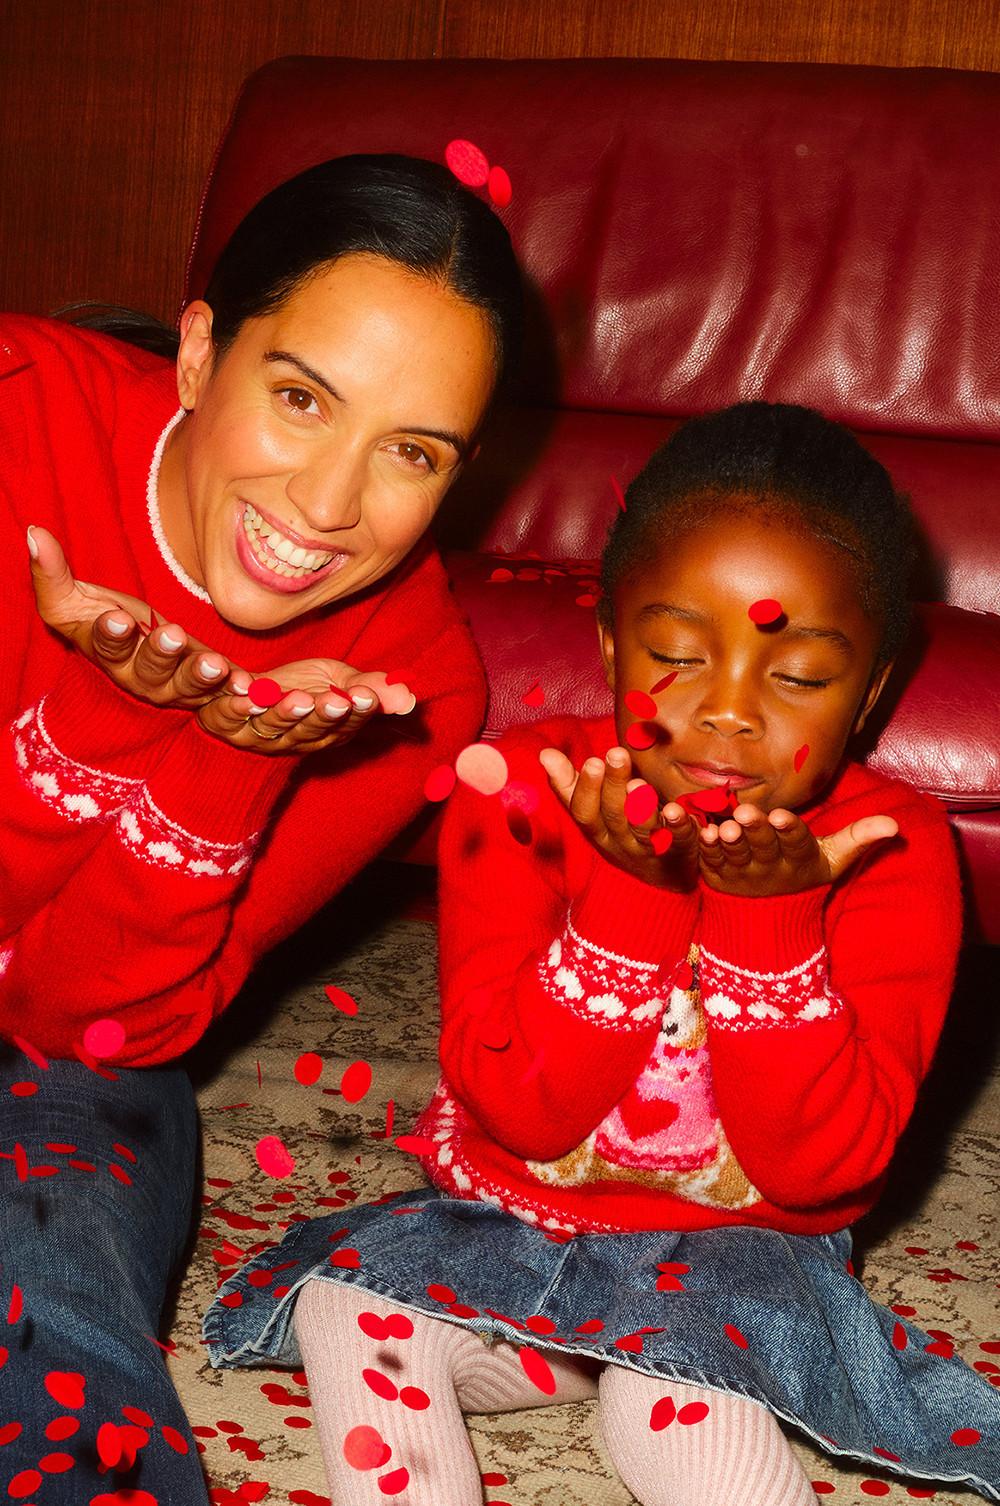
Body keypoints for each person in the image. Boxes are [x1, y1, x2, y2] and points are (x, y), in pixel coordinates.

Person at [205, 402, 1000, 1505]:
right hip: (507, 1223)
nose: (726, 714)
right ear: (614, 645)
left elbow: (821, 1170)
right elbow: (520, 1114)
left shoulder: (886, 852)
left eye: (799, 678)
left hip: (738, 1260)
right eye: (677, 656)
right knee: (352, 1305)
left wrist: (761, 926)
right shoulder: (519, 795)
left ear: (868, 691)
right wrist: (629, 889)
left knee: (672, 1402)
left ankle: (660, 1376)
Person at [0, 153, 521, 1503]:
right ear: (196, 353)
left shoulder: (413, 685)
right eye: (300, 398)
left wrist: (215, 761)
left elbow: (90, 1021)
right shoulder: (16, 420)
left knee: (54, 1332)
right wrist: (107, 718)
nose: (331, 507)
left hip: (69, 1058)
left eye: (413, 452)